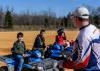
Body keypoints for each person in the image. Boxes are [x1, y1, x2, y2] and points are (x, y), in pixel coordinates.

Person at [60, 6, 100, 71]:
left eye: (73, 18)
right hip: (96, 66)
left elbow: (82, 63)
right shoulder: (93, 28)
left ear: (77, 18)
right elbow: (89, 47)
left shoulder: (84, 35)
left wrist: (63, 64)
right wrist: (73, 46)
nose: (73, 21)